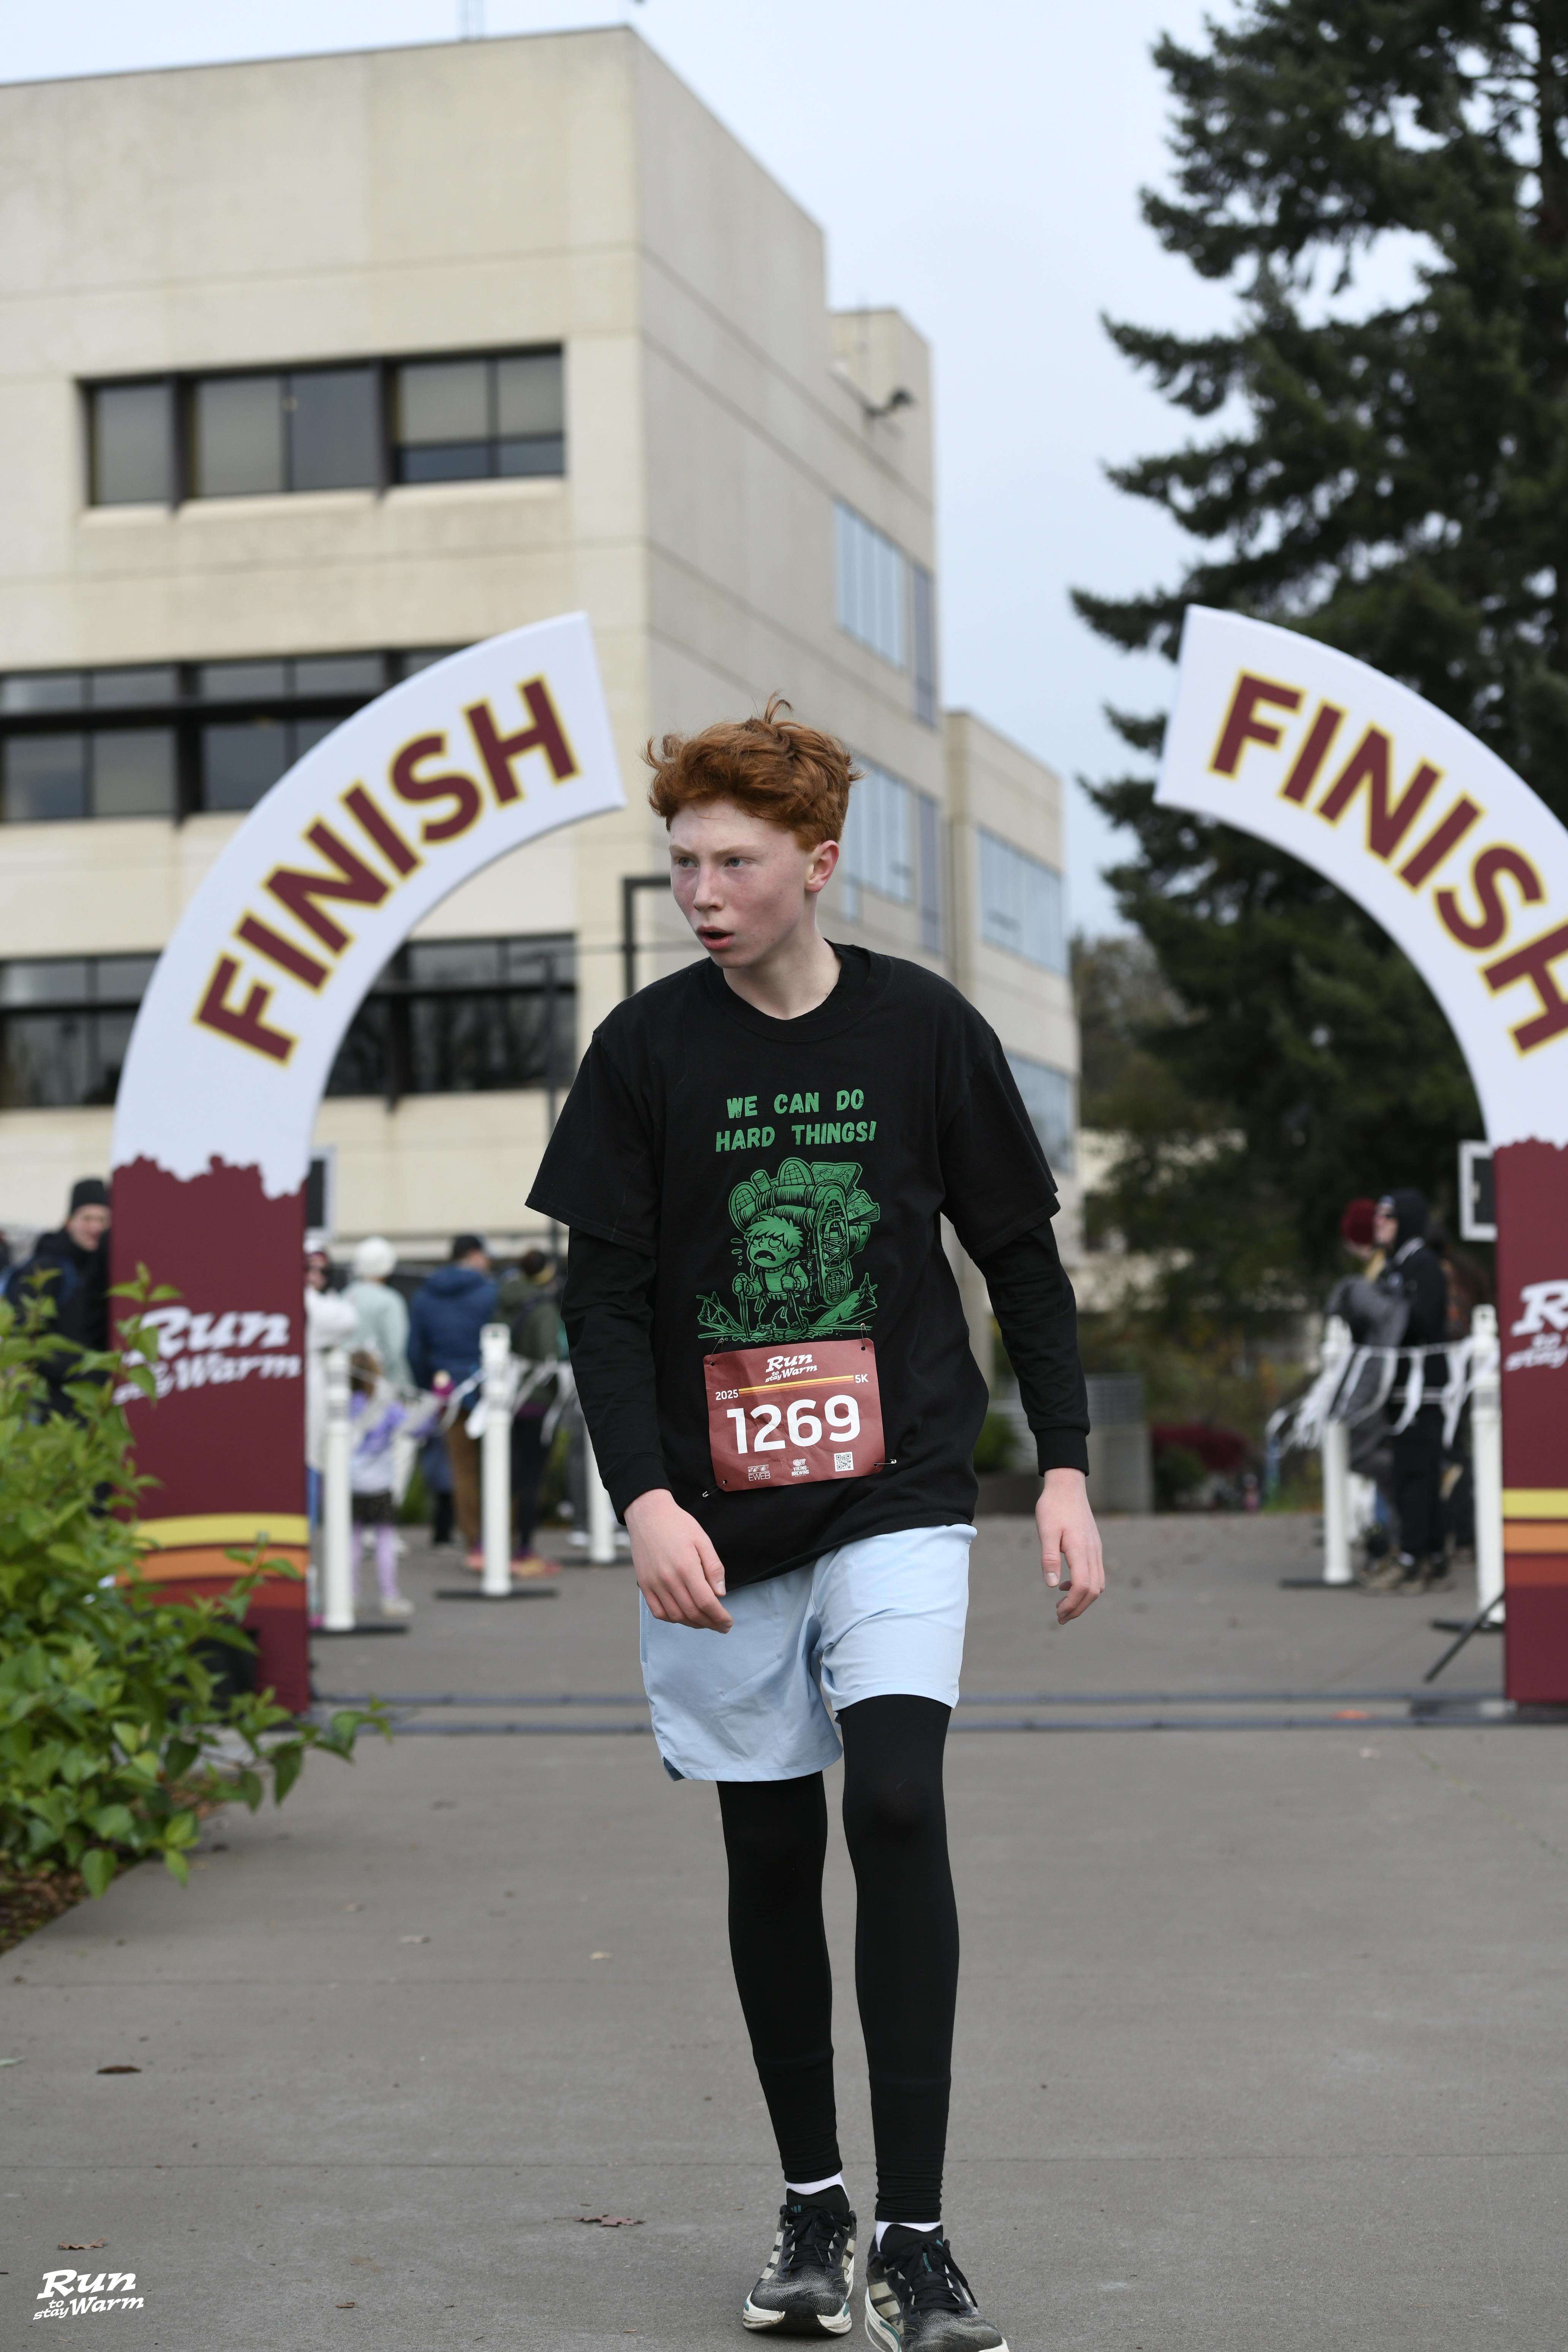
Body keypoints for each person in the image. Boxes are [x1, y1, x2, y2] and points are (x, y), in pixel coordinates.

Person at [527, 697, 1103, 2352]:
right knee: (770, 1845)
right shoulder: (644, 1051)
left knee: (898, 1801)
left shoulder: (923, 1030)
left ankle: (916, 2237)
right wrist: (643, 1498)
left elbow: (1019, 1260)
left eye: (733, 862)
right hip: (712, 1513)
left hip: (897, 1485)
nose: (701, 892)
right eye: (682, 862)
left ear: (818, 863)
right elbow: (601, 1303)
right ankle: (810, 2205)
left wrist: (1062, 1464)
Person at [1367, 1187, 1450, 1594]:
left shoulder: (1423, 1265)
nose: (1379, 1223)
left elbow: (1421, 1322)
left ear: (1408, 1222)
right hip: (1399, 1390)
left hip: (1422, 1392)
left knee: (1417, 1476)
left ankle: (1415, 1559)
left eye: (1388, 1216)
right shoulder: (1393, 1266)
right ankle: (1428, 1556)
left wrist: (1386, 1306)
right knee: (1409, 1475)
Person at [408, 1234, 497, 1567]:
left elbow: (414, 1350)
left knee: (463, 1471)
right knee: (498, 1466)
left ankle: (474, 1544)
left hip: (448, 1393)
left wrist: (432, 1387)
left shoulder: (425, 1296)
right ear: (474, 1255)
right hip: (490, 1392)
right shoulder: (490, 1292)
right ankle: (500, 1541)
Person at [347, 1349, 438, 1617]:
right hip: (379, 1485)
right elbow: (416, 1429)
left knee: (351, 1543)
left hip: (349, 1485)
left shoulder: (343, 1405)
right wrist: (433, 1406)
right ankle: (389, 1597)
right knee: (385, 1541)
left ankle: (350, 1597)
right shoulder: (386, 1406)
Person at [12, 1178, 113, 1411]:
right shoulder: (48, 1268)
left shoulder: (110, 1268)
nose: (95, 1228)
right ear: (69, 1223)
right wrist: (85, 1371)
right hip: (55, 1400)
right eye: (87, 1218)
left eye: (103, 1220)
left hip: (99, 1398)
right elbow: (26, 1336)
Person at [496, 1247, 565, 1576]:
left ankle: (492, 1545)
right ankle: (524, 1550)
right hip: (536, 1400)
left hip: (505, 1399)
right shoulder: (543, 1306)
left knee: (506, 1475)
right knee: (531, 1478)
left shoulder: (504, 1299)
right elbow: (549, 1354)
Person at [304, 1247, 358, 1530]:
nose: (314, 1276)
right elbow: (347, 1318)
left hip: (314, 1395)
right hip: (299, 1395)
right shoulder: (310, 1302)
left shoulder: (321, 1302)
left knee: (315, 1460)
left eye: (322, 1271)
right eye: (307, 1269)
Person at [346, 1235, 411, 1392]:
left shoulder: (345, 1297)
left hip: (350, 1385)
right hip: (387, 1387)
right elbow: (396, 1349)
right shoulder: (390, 1301)